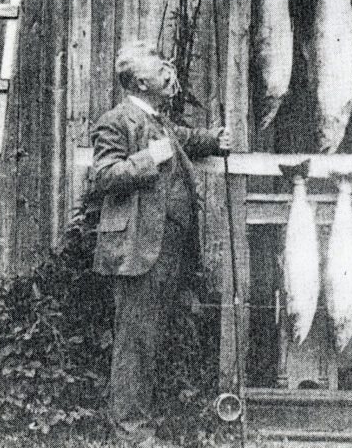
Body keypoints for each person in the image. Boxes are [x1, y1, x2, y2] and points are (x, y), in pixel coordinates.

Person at [90, 40, 232, 444]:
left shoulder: (160, 122)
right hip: (138, 252)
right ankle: (132, 434)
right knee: (135, 345)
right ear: (139, 81)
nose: (169, 72)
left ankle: (144, 425)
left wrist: (213, 139)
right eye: (160, 69)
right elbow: (103, 176)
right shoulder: (116, 122)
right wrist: (150, 158)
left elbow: (183, 140)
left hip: (168, 253)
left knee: (153, 343)